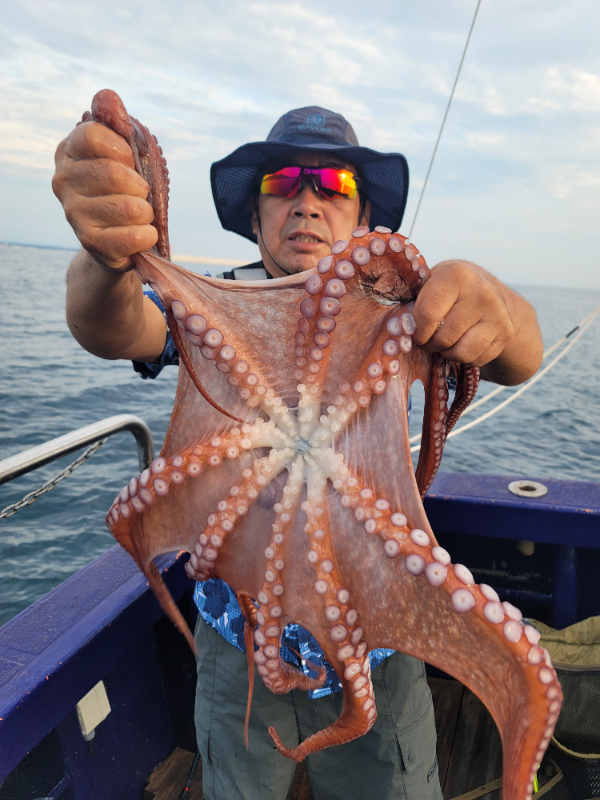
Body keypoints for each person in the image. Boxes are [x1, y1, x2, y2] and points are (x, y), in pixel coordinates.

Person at [53, 105, 543, 800]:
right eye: (282, 181)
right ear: (255, 219)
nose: (307, 200)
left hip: (376, 636)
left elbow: (520, 355)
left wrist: (500, 309)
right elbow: (112, 323)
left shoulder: (401, 309)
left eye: (333, 183)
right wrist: (105, 263)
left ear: (363, 215)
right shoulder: (214, 308)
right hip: (237, 635)